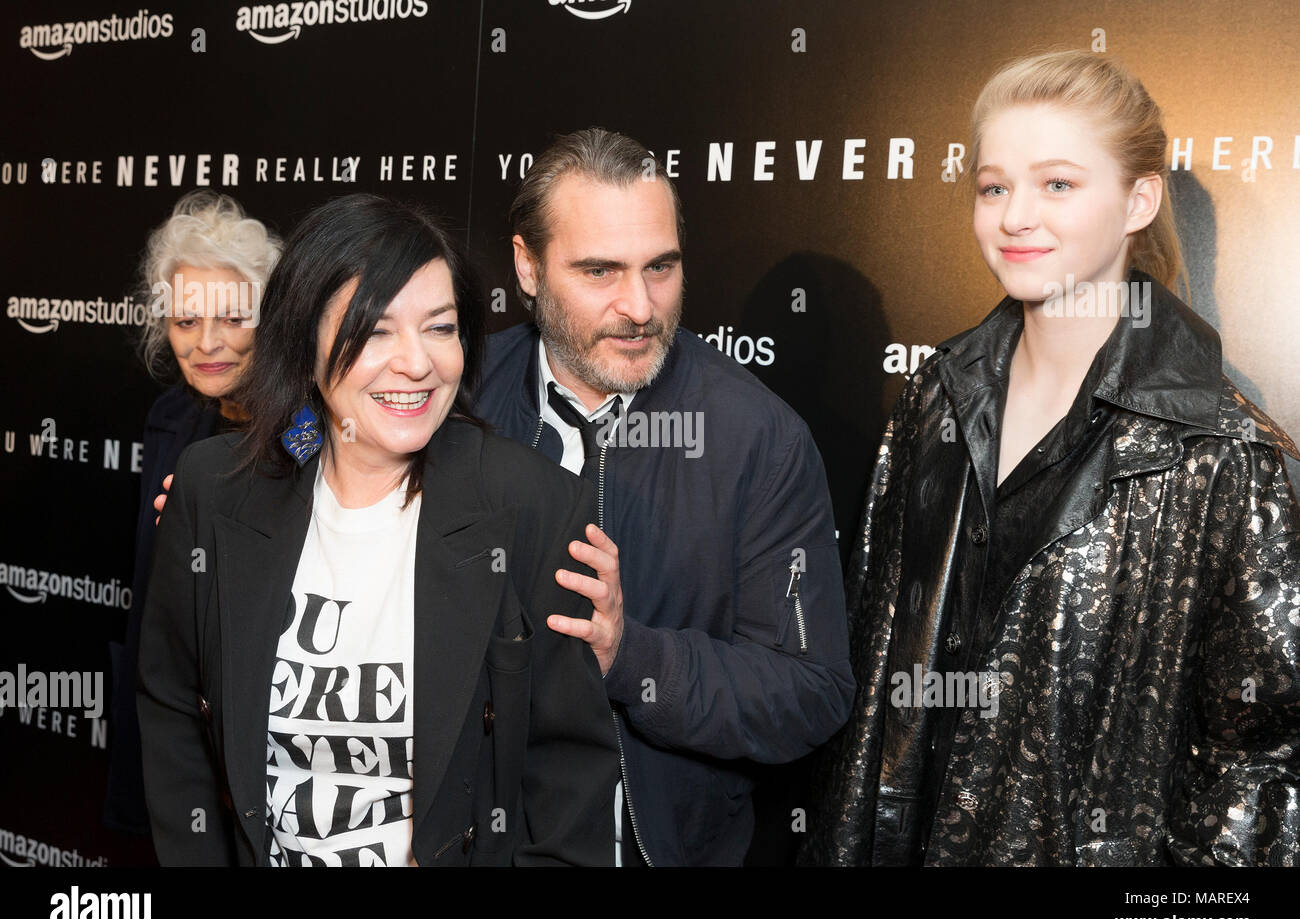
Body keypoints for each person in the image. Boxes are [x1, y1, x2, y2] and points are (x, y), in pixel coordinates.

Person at [802, 50, 1300, 866]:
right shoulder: (936, 400)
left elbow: (1259, 768)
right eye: (995, 186)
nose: (1014, 216)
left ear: (1139, 199)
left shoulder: (1223, 452)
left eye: (1057, 184)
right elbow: (875, 660)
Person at [137, 193, 618, 866]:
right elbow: (169, 705)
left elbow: (570, 782)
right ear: (303, 346)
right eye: (377, 331)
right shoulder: (214, 490)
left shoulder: (532, 505)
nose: (417, 363)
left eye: (440, 327)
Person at [473, 128, 856, 866]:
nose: (640, 307)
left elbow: (811, 692)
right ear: (527, 267)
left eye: (661, 267)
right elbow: (325, 427)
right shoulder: (460, 399)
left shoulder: (757, 437)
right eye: (600, 272)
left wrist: (631, 657)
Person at [105, 190, 281, 837]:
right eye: (185, 321)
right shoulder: (172, 417)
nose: (207, 343)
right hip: (172, 733)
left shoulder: (311, 432)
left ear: (273, 317)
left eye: (232, 318)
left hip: (265, 750)